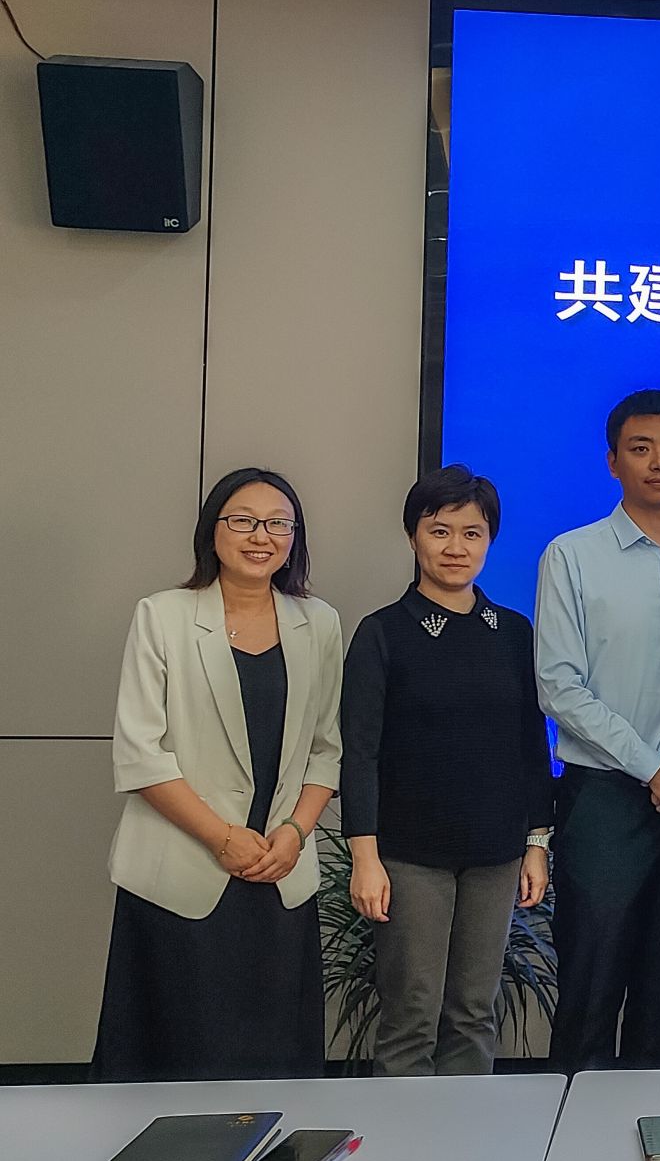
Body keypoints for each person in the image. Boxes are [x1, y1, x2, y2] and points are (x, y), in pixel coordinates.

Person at [91, 468, 342, 1083]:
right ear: (212, 531)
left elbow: (326, 749)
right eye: (243, 520)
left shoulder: (319, 623)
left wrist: (295, 833)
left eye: (278, 523)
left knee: (276, 1068)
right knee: (178, 1060)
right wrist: (222, 837)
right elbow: (141, 752)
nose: (261, 536)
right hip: (183, 870)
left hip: (279, 870)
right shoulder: (163, 615)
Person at [535, 390, 660, 1082]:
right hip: (605, 799)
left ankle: (651, 1133)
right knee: (591, 985)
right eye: (641, 448)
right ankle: (568, 1137)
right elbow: (559, 685)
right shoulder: (572, 556)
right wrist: (654, 767)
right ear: (613, 462)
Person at [341, 465, 553, 1089]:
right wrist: (365, 858)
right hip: (410, 857)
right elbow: (360, 753)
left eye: (472, 533)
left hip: (495, 853)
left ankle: (467, 1139)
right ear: (413, 536)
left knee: (473, 1013)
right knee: (412, 1015)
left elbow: (530, 745)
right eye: (440, 531)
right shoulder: (383, 633)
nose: (456, 547)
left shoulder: (512, 633)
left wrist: (536, 843)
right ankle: (403, 1145)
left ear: (489, 541)